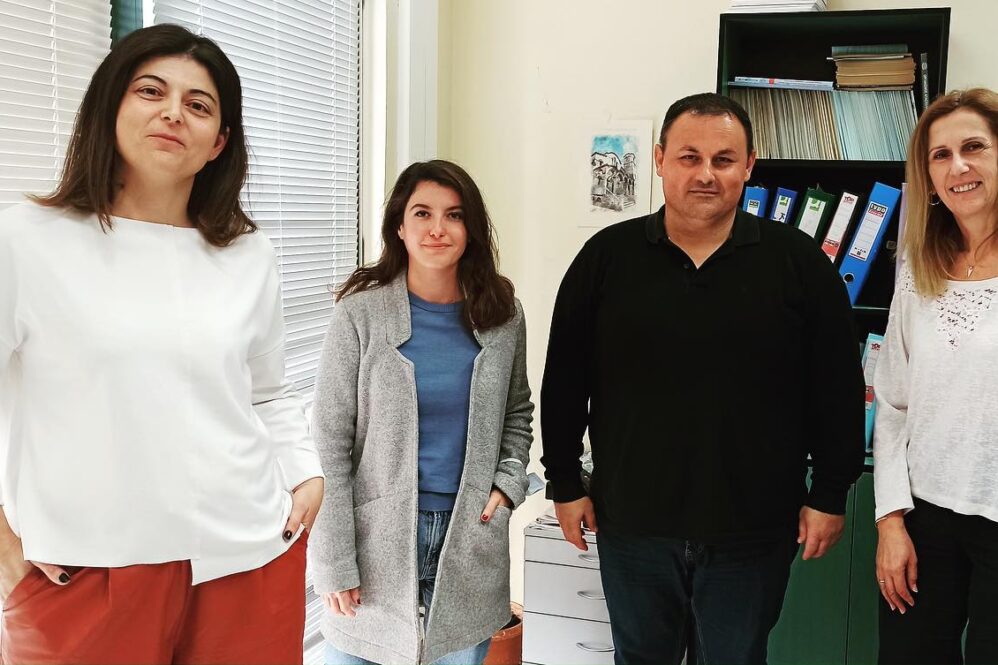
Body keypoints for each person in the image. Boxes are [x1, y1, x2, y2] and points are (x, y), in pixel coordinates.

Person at [0, 24, 323, 664]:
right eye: (151, 91)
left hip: (247, 556)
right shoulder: (27, 239)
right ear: (110, 107)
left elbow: (266, 392)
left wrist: (304, 470)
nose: (174, 112)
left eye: (199, 105)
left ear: (219, 141)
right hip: (85, 569)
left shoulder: (248, 254)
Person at [540, 92, 866, 665]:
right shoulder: (606, 259)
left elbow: (837, 388)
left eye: (724, 159)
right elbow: (564, 380)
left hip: (754, 529)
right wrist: (564, 482)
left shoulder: (799, 264)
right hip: (634, 523)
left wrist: (830, 492)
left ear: (749, 166)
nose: (706, 174)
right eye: (689, 157)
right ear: (660, 159)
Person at [309, 159, 533, 665]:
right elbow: (328, 443)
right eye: (422, 213)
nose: (438, 229)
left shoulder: (503, 315)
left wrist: (507, 484)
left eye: (454, 215)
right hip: (375, 542)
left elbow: (517, 411)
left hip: (470, 536)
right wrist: (333, 559)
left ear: (471, 230)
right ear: (399, 226)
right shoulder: (359, 315)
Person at [874, 87, 998, 665]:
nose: (958, 167)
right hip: (924, 519)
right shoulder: (916, 265)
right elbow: (893, 402)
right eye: (940, 155)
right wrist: (890, 520)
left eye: (974, 147)